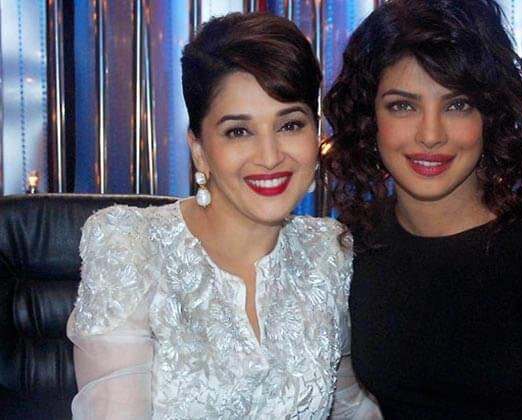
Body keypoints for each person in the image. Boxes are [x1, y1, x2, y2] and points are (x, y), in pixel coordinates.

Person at [67, 13, 377, 419]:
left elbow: (351, 406)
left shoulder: (330, 253)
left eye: (289, 125)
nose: (270, 157)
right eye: (238, 131)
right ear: (199, 148)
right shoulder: (130, 245)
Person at [322, 0, 522, 418]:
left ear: (490, 116)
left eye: (457, 104)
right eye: (403, 105)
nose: (431, 135)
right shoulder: (357, 246)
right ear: (370, 119)